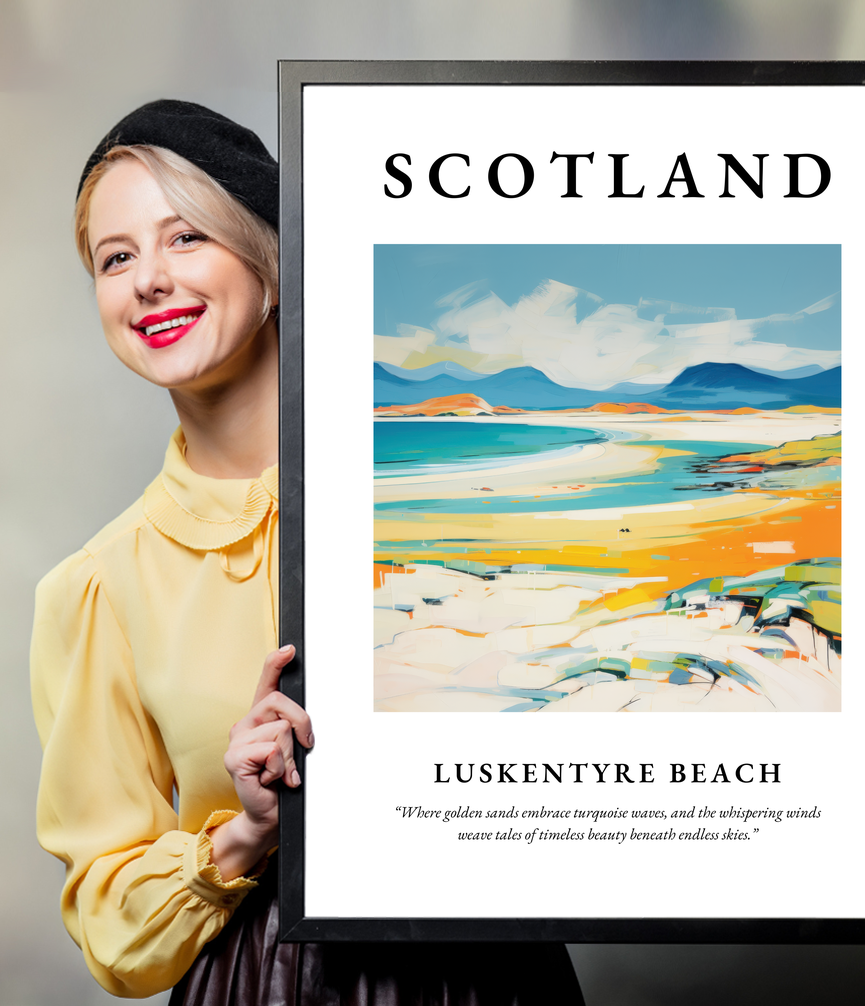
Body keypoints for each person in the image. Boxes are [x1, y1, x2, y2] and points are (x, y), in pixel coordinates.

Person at [30, 100, 585, 1004]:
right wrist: (245, 832)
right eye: (116, 257)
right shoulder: (97, 587)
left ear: (273, 264)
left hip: (493, 973)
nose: (148, 281)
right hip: (263, 981)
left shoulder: (442, 504)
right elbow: (110, 924)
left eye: (186, 239)